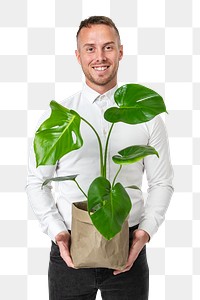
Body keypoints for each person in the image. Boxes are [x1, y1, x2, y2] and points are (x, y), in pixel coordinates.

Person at [26, 16, 174, 300]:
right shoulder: (61, 116)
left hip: (128, 245)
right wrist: (58, 233)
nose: (100, 57)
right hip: (70, 246)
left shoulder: (144, 115)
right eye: (90, 48)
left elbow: (162, 182)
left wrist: (145, 233)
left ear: (120, 51)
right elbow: (37, 182)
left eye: (108, 47)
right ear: (78, 55)